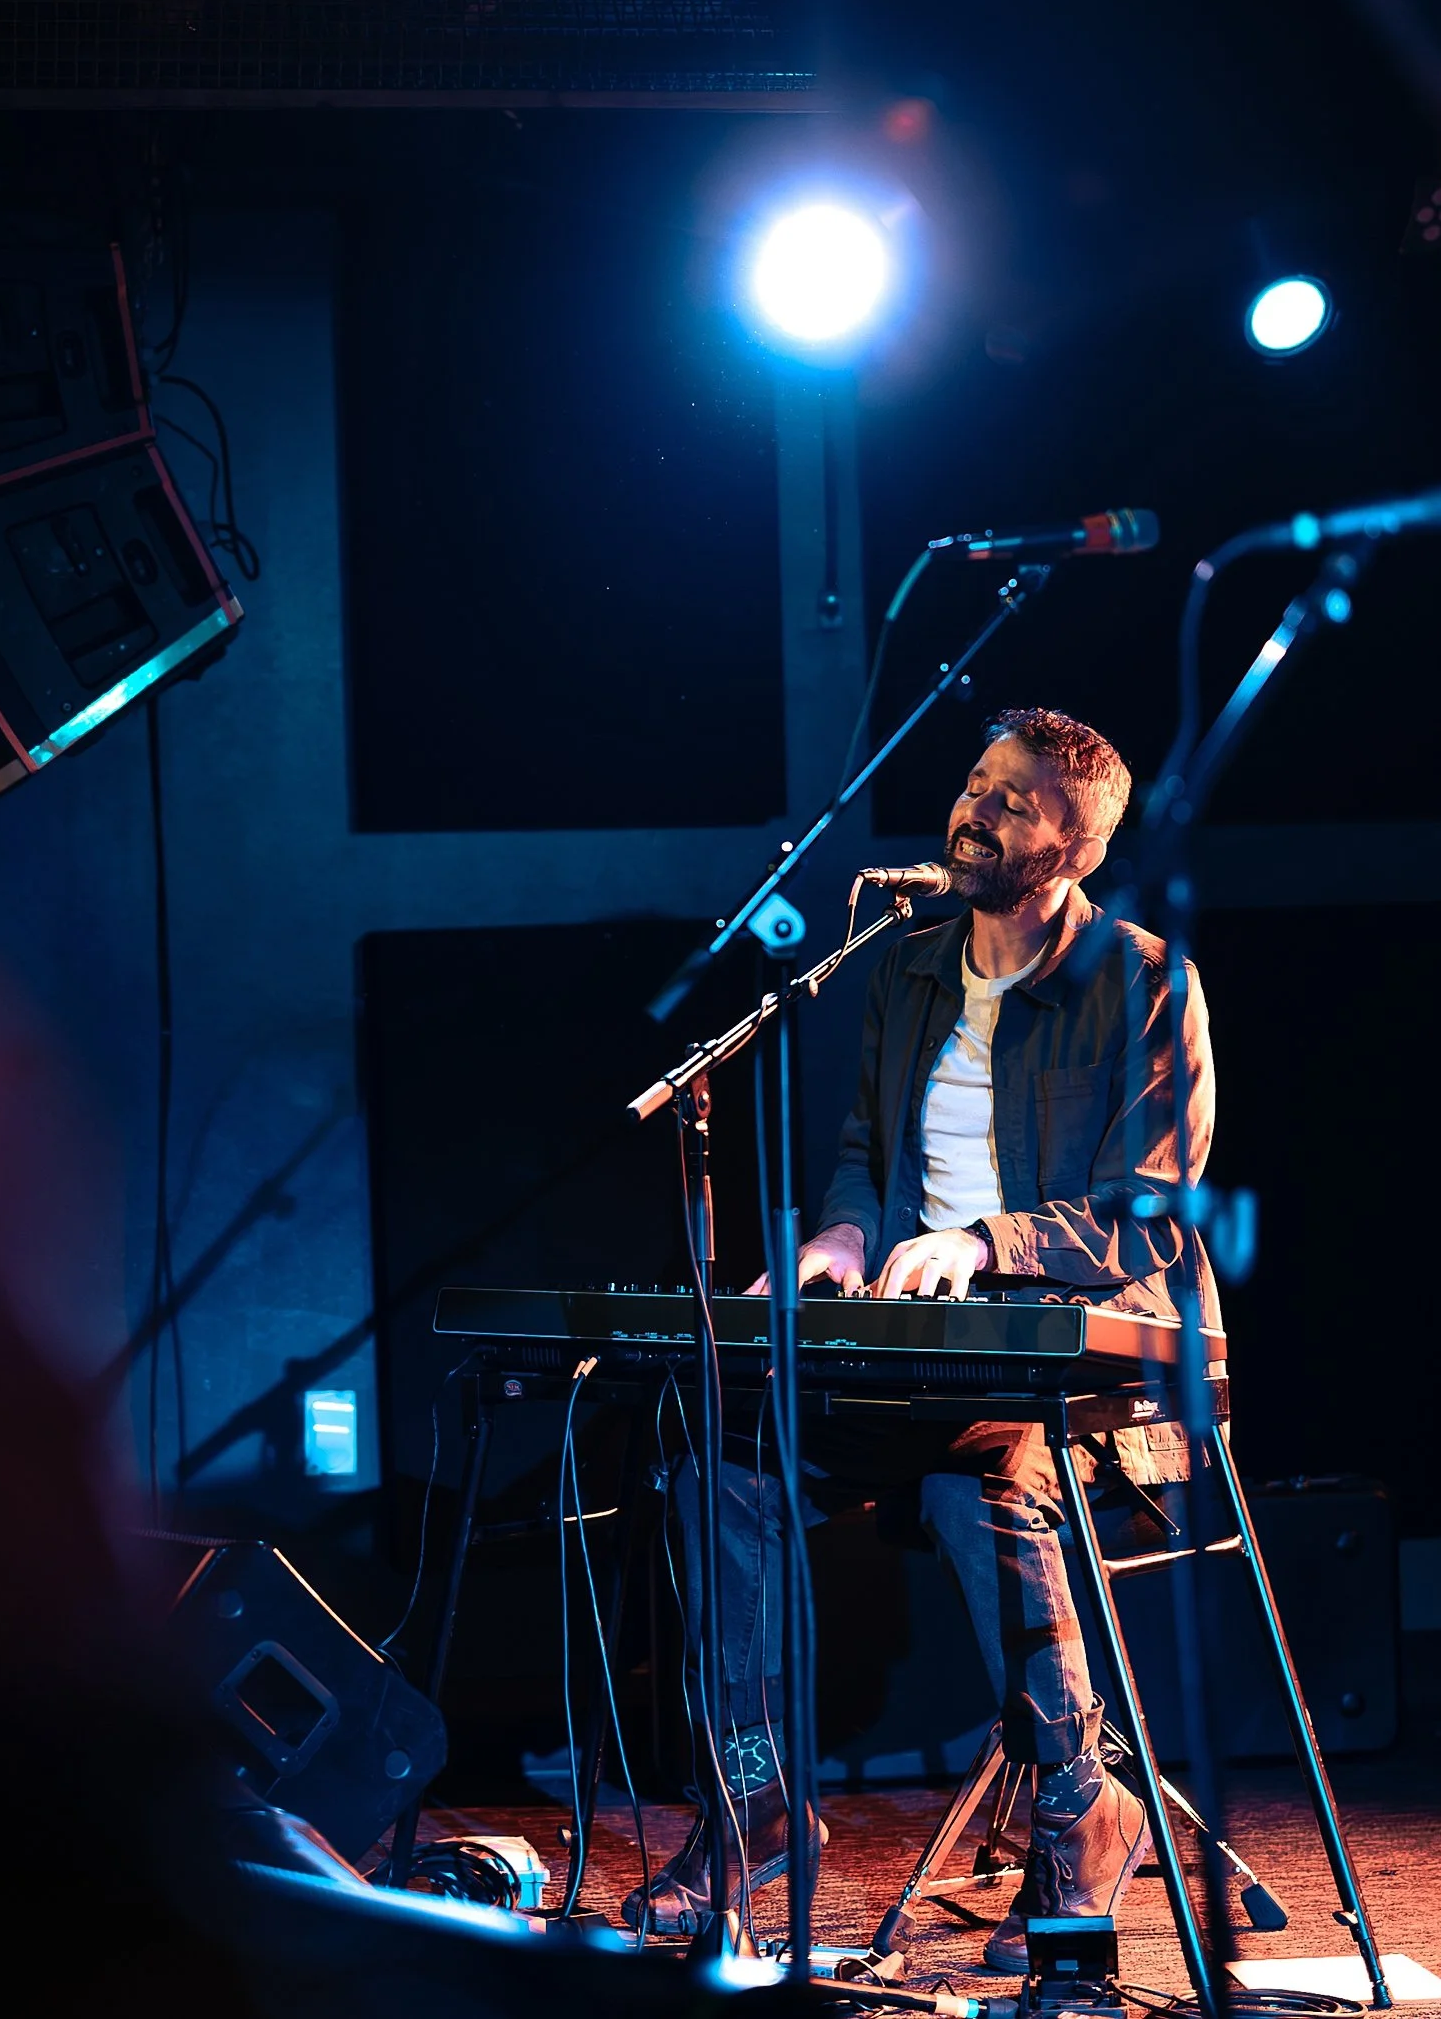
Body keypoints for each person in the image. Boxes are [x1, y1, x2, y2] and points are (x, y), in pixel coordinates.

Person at [625, 707, 1214, 1971]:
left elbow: (1151, 1207)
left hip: (1093, 1370)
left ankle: (1075, 1797)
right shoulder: (902, 966)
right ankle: (751, 1797)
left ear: (1074, 846)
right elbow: (860, 1156)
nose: (977, 810)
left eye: (1013, 801)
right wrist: (841, 1241)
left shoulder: (1143, 977)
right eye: (975, 783)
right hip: (912, 1354)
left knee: (978, 1471)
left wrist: (986, 1240)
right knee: (719, 1466)